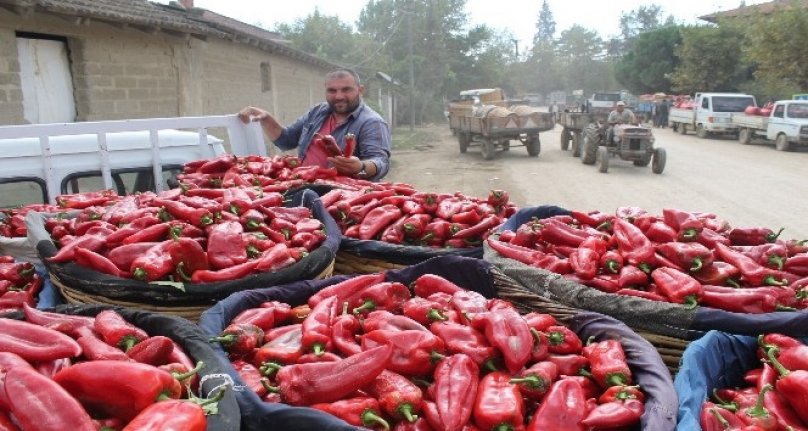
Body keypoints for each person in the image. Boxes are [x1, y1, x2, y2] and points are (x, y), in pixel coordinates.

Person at [238, 68, 391, 181]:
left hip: (340, 196)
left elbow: (380, 161)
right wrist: (266, 118)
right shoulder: (318, 111)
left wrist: (361, 167)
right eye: (332, 90)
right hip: (302, 183)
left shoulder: (371, 122)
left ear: (360, 90)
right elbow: (286, 139)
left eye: (346, 90)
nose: (338, 96)